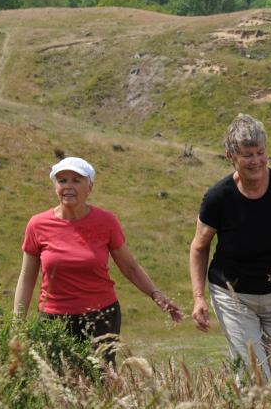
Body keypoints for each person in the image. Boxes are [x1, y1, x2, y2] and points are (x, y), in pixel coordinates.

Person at [14, 156, 183, 364]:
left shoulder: (106, 221)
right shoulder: (37, 224)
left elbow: (129, 267)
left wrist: (156, 295)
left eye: (76, 180)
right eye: (62, 180)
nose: (68, 186)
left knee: (99, 382)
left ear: (89, 186)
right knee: (57, 384)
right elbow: (27, 277)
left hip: (101, 318)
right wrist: (17, 324)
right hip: (53, 319)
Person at [189, 114, 271, 383]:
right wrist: (198, 297)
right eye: (247, 155)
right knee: (254, 374)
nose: (256, 161)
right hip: (234, 297)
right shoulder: (218, 197)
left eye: (261, 152)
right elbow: (199, 247)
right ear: (231, 156)